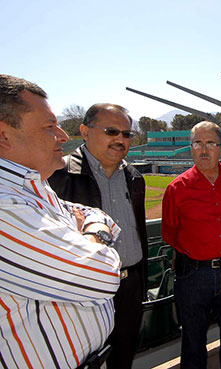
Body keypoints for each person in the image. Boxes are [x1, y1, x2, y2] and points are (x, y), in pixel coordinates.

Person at [0, 74, 121, 369]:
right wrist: (94, 239)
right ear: (3, 136)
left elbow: (97, 216)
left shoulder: (32, 185)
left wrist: (88, 233)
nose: (63, 136)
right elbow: (101, 275)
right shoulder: (5, 204)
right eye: (49, 126)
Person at [49, 103, 147, 368]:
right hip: (82, 291)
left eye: (126, 134)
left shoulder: (134, 176)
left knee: (123, 357)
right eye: (111, 131)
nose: (120, 139)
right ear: (84, 131)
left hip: (128, 284)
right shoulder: (57, 176)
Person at [162, 121, 221, 369]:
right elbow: (170, 233)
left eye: (210, 143)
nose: (203, 149)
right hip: (193, 275)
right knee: (192, 342)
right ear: (191, 148)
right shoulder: (176, 188)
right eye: (197, 143)